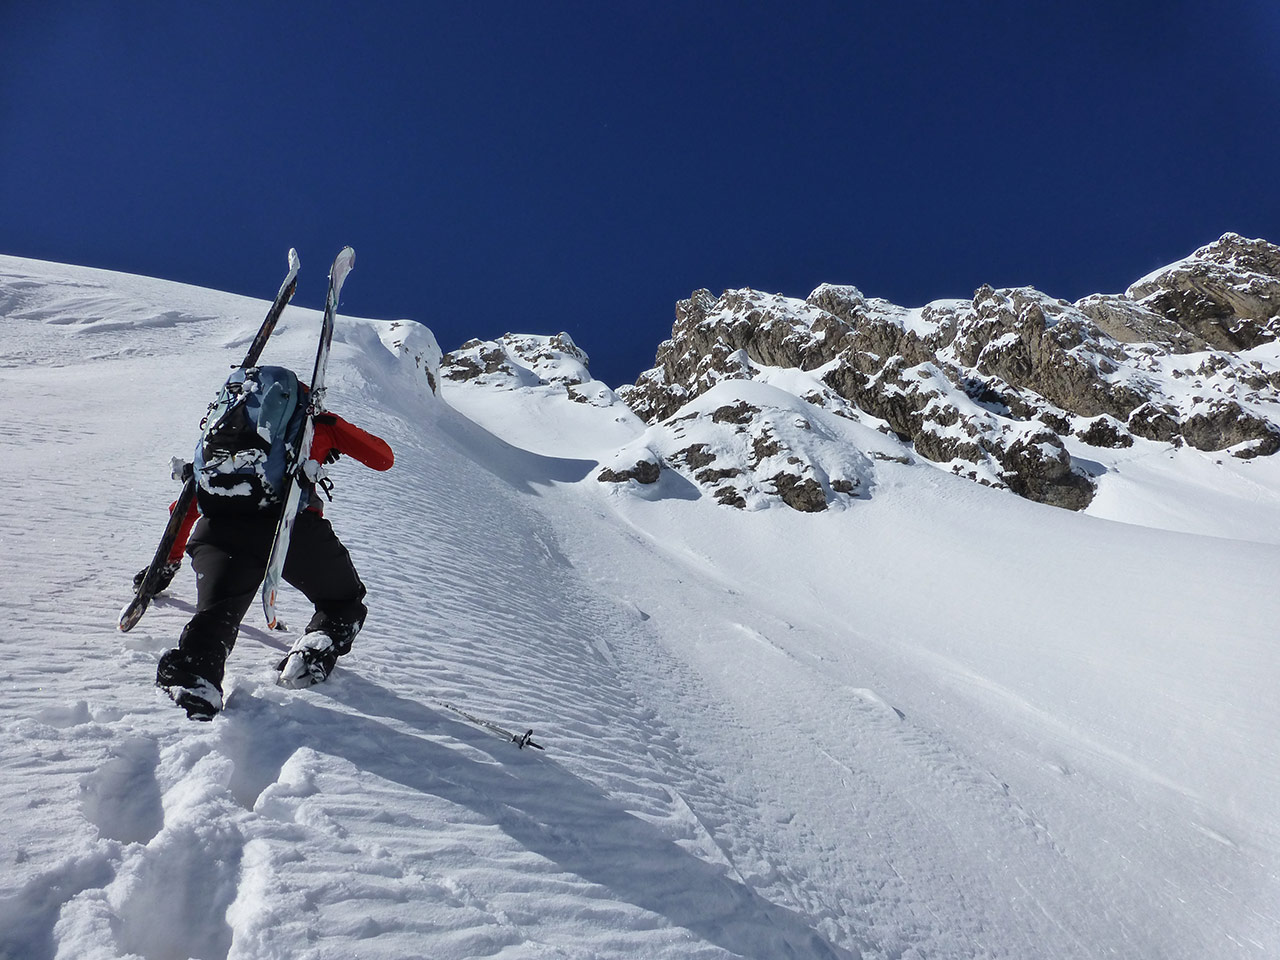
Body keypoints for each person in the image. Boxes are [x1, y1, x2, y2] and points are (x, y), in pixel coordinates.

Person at [155, 403, 393, 720]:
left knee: (215, 618)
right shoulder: (314, 423)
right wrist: (330, 427)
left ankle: (197, 679)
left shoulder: (225, 431)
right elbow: (382, 458)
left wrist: (164, 568)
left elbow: (188, 500)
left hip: (218, 529)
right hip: (291, 528)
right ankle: (312, 653)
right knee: (342, 602)